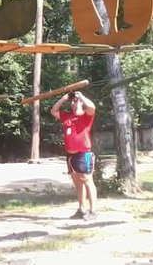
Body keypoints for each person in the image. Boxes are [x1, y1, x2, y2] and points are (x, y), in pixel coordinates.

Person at [51, 90, 97, 220]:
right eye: (72, 101)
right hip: (70, 155)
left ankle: (93, 211)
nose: (73, 102)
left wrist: (82, 96)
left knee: (87, 180)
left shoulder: (87, 115)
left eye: (76, 101)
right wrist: (63, 98)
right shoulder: (67, 116)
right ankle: (81, 209)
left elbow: (92, 107)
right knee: (77, 183)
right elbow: (53, 111)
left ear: (81, 103)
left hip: (83, 154)